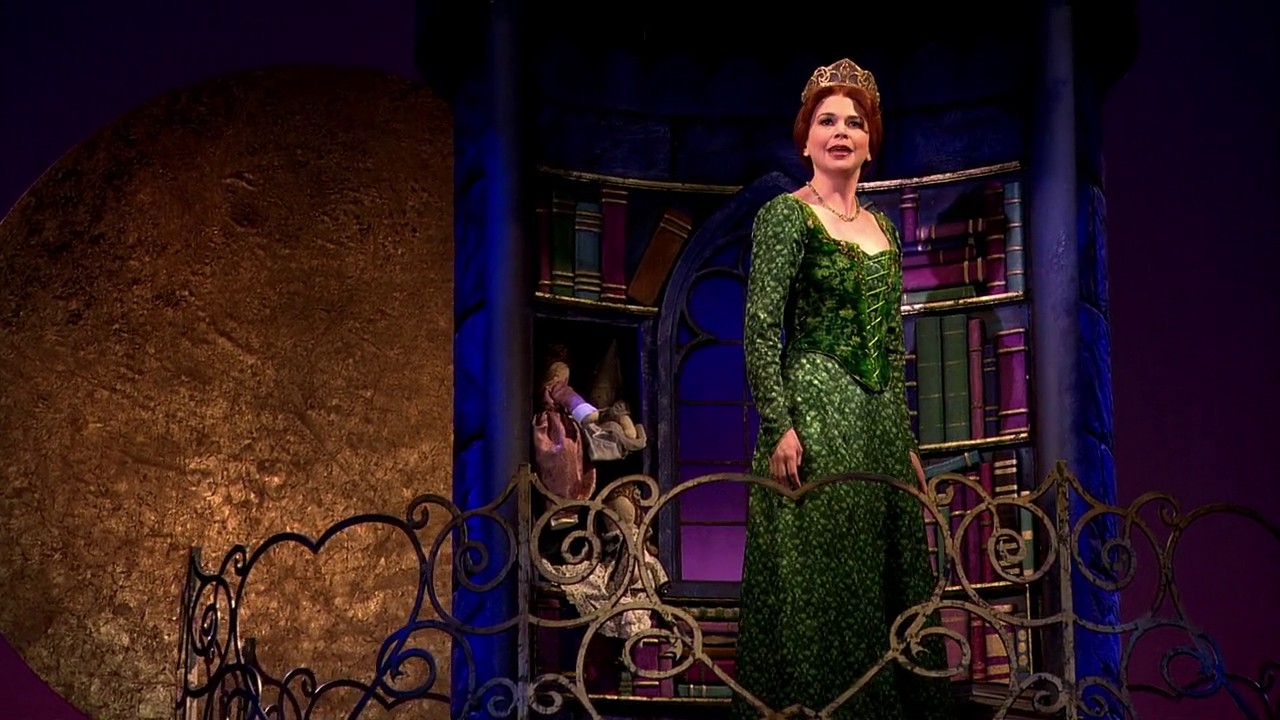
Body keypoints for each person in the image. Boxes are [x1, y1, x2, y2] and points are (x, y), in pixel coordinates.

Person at [734, 58, 953, 719]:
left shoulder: (884, 227)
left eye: (854, 123)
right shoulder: (785, 217)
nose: (841, 132)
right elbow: (760, 327)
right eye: (827, 121)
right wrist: (779, 424)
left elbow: (888, 344)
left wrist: (905, 442)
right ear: (805, 140)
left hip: (878, 422)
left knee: (890, 576)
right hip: (815, 412)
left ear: (869, 142)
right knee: (825, 580)